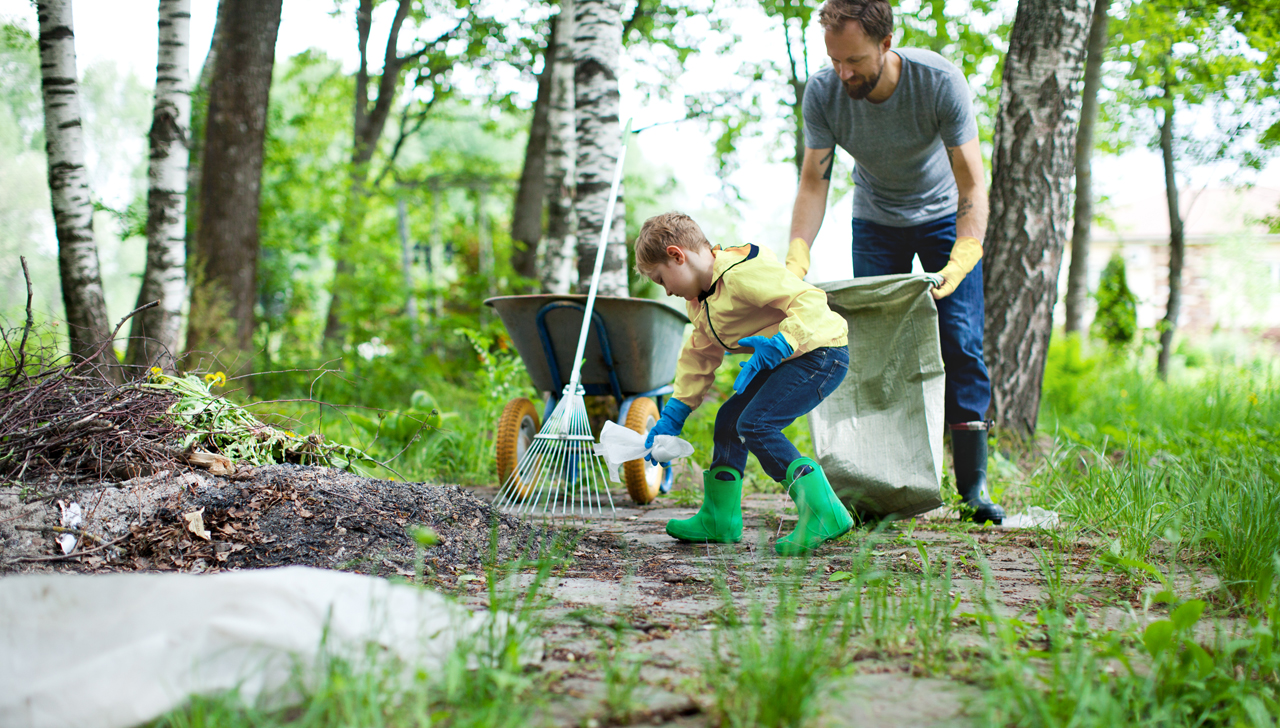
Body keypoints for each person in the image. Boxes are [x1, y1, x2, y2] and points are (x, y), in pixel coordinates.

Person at [784, 0, 1004, 524]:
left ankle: (972, 489)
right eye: (835, 59)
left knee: (960, 340)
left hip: (945, 220)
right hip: (876, 221)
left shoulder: (938, 82)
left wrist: (964, 253)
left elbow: (972, 180)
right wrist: (796, 256)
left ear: (886, 44)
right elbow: (815, 182)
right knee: (875, 349)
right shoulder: (824, 92)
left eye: (854, 60)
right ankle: (876, 486)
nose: (843, 72)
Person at [635, 212, 852, 556]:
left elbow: (810, 301)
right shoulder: (701, 302)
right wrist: (673, 415)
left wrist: (783, 341)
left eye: (663, 280)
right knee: (728, 422)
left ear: (678, 255)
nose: (668, 291)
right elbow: (699, 356)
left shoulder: (742, 272)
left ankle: (824, 512)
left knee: (756, 424)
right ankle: (720, 519)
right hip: (787, 360)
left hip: (820, 353)